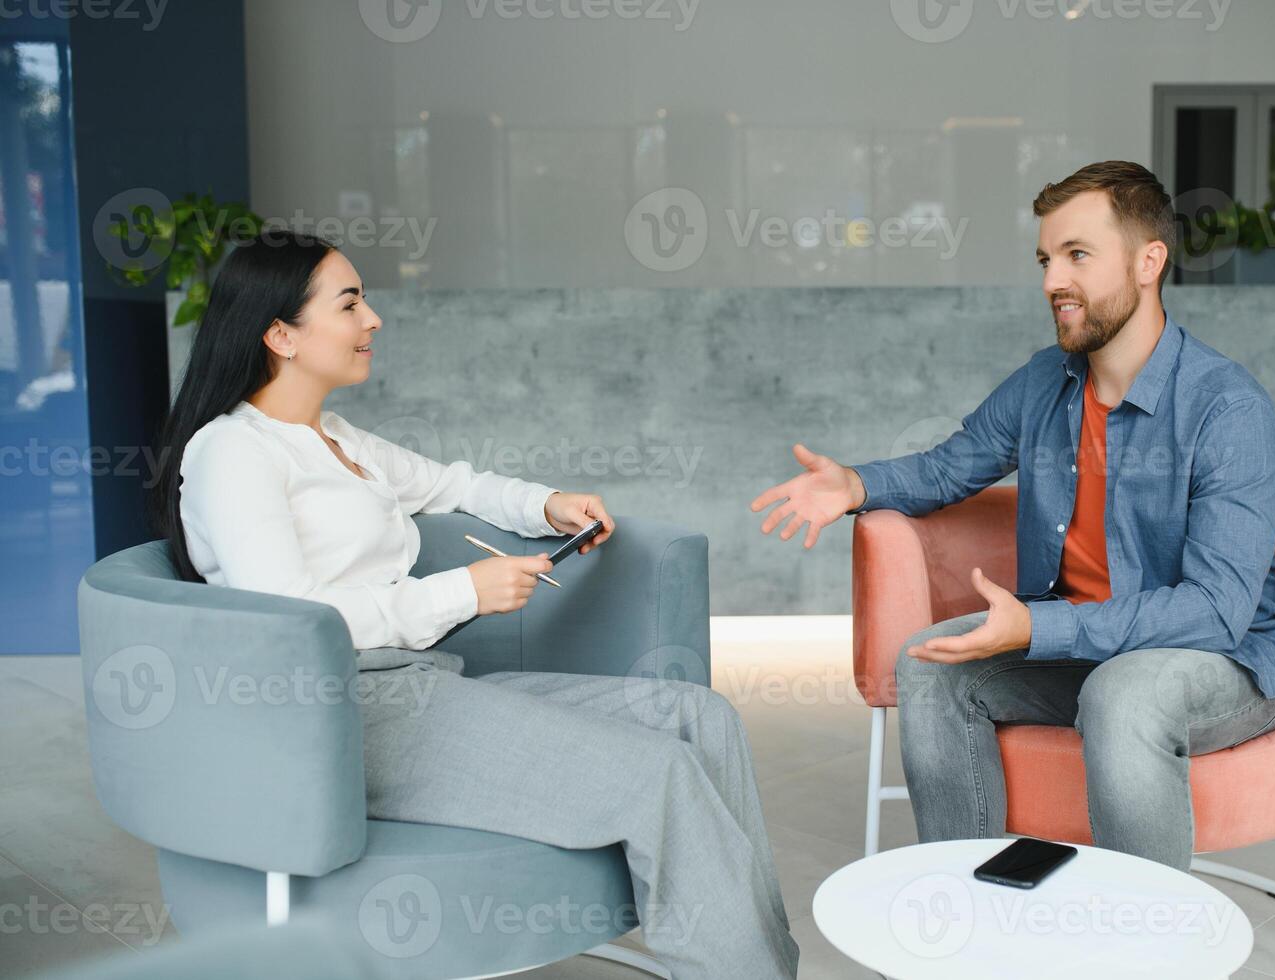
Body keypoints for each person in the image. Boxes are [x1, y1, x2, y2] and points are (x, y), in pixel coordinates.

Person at [152, 229, 799, 979]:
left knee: (699, 716)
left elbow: (455, 484)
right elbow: (290, 623)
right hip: (339, 716)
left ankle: (760, 965)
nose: (374, 321)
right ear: (279, 334)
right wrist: (463, 591)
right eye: (351, 303)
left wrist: (549, 504)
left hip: (418, 685)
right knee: (656, 773)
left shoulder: (333, 438)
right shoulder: (233, 452)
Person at [749, 161, 1275, 871]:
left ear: (1147, 261)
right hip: (1091, 644)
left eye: (1077, 255)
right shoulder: (1047, 379)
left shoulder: (1227, 407)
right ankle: (965, 909)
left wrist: (1041, 625)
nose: (1051, 282)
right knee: (931, 665)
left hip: (1220, 662)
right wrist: (853, 484)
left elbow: (1215, 612)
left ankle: (1144, 945)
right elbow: (953, 464)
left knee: (1123, 691)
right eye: (1045, 259)